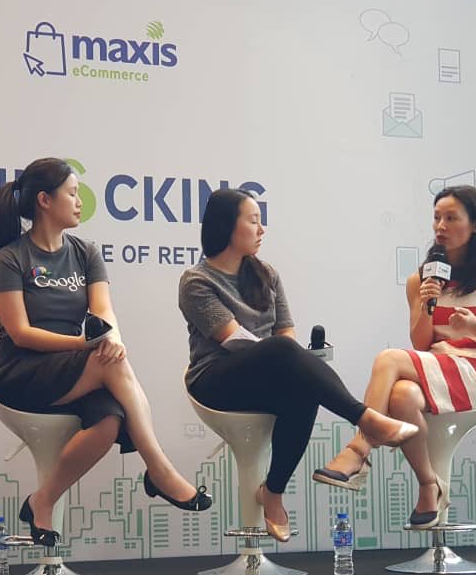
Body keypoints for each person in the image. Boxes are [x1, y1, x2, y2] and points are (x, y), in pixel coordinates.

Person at [0, 157, 212, 546]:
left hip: (76, 366)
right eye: (72, 193)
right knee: (111, 365)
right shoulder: (12, 257)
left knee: (108, 420)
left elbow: (104, 311)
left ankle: (41, 501)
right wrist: (87, 345)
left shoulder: (84, 252)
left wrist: (111, 340)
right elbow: (20, 333)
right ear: (44, 200)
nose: (79, 201)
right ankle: (159, 470)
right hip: (21, 371)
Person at [179, 188, 418, 542]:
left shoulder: (267, 274)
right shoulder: (197, 281)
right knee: (283, 352)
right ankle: (366, 420)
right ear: (227, 226)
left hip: (266, 373)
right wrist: (284, 357)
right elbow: (233, 340)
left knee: (303, 389)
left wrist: (291, 361)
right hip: (215, 380)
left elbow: (286, 331)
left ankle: (273, 491)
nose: (262, 230)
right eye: (253, 221)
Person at [313, 185, 476, 528]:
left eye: (451, 218)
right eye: (437, 218)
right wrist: (426, 304)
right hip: (439, 364)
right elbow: (422, 343)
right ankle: (428, 484)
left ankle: (359, 451)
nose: (441, 226)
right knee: (402, 396)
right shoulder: (420, 279)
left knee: (389, 359)